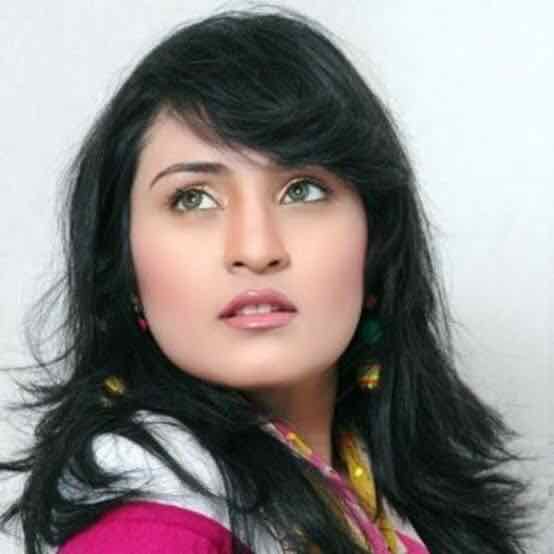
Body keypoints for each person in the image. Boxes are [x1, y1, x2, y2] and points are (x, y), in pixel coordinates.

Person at [0, 7, 530, 554]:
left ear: (377, 243)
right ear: (124, 267)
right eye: (193, 199)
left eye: (303, 190)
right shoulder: (157, 520)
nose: (256, 250)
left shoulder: (394, 494)